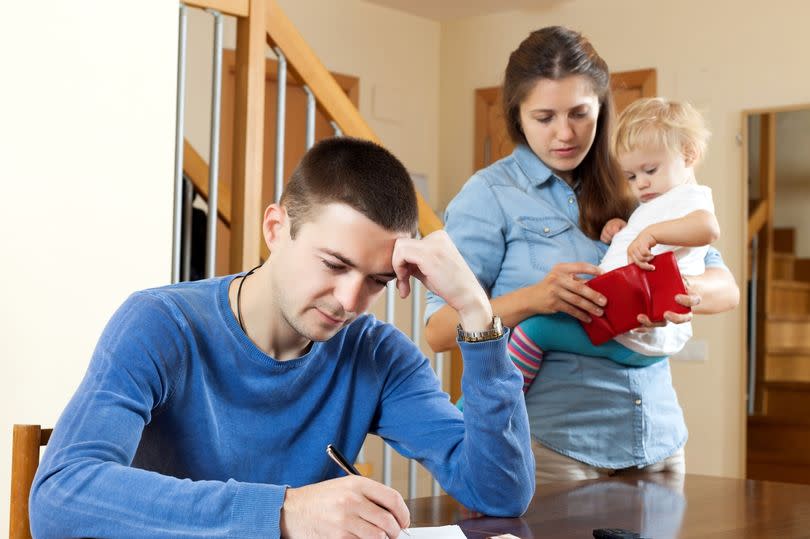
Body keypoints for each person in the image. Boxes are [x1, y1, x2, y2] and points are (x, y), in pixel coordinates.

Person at [30, 137, 534, 538]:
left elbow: (500, 493)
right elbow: (61, 497)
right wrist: (284, 512)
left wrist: (475, 312)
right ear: (276, 227)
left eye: (377, 281)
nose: (350, 301)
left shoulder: (378, 355)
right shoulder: (159, 324)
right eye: (334, 264)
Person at [425, 26, 739, 483]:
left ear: (602, 107)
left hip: (658, 442)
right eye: (544, 117)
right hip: (554, 453)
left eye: (579, 113)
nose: (565, 133)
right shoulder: (489, 194)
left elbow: (724, 286)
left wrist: (675, 292)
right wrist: (536, 299)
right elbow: (437, 332)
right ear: (516, 115)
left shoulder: (640, 177)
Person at [510, 97, 720, 390]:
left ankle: (495, 408)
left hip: (637, 329)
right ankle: (494, 404)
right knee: (537, 324)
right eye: (631, 176)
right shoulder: (657, 201)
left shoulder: (690, 197)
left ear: (688, 154)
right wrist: (623, 230)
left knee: (533, 330)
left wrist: (650, 234)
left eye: (650, 170)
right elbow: (648, 235)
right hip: (625, 319)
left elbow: (707, 228)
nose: (641, 184)